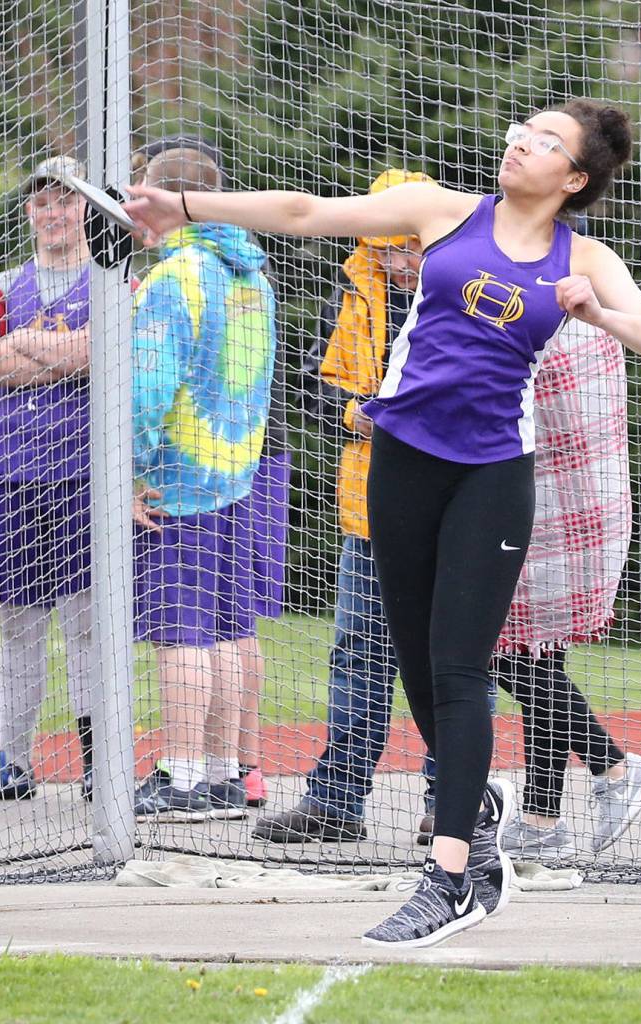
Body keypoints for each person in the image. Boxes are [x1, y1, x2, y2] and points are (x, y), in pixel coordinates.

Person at [124, 99, 641, 949]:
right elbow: (304, 212)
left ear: (573, 177)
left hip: (492, 476)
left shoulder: (583, 257)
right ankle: (473, 800)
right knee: (417, 668)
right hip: (401, 462)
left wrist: (596, 312)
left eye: (543, 142)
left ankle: (452, 878)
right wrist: (185, 205)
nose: (518, 145)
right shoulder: (440, 211)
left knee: (459, 668)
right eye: (519, 132)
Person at [254, 168, 442, 844]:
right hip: (370, 502)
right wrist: (352, 411)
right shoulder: (360, 286)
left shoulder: (466, 285)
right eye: (383, 250)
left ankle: (452, 803)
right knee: (358, 652)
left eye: (405, 249)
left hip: (452, 501)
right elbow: (322, 383)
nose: (396, 265)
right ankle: (336, 802)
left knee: (450, 657)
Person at [129, 146, 278, 821]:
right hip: (237, 473)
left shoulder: (176, 276)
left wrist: (131, 471)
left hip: (178, 479)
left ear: (162, 200)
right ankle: (223, 774)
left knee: (180, 633)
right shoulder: (251, 275)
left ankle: (182, 775)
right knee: (227, 627)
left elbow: (147, 388)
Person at [0, 157, 97, 802]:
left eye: (65, 199)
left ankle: (99, 764)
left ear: (86, 207)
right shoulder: (3, 286)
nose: (52, 212)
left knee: (88, 624)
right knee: (18, 626)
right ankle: (13, 763)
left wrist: (27, 344)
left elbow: (103, 353)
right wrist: (62, 353)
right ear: (28, 211)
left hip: (87, 475)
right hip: (12, 473)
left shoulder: (115, 281)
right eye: (41, 202)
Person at [489, 317, 641, 861]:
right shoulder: (591, 322)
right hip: (581, 508)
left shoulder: (545, 320)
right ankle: (542, 821)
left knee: (501, 654)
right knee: (537, 660)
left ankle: (615, 767)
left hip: (543, 512)